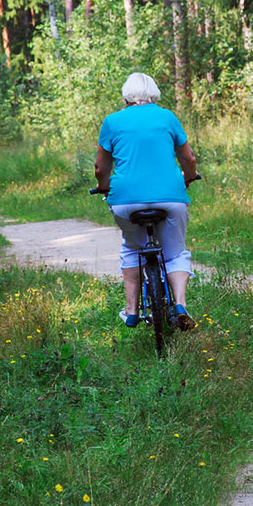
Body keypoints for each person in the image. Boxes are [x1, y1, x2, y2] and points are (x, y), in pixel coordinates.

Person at [93, 72, 200, 330]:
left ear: (126, 96)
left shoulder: (112, 121)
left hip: (125, 200)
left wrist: (103, 187)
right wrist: (188, 178)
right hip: (170, 197)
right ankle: (180, 306)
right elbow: (189, 159)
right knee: (175, 253)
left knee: (132, 248)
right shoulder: (167, 117)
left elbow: (100, 167)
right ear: (154, 93)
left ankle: (131, 311)